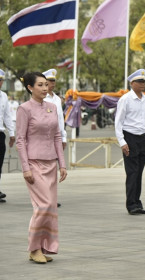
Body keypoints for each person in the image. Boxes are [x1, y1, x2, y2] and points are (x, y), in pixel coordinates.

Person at [16, 72, 67, 264]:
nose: (45, 88)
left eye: (46, 84)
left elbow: (57, 136)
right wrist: (25, 167)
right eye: (40, 85)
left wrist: (62, 164)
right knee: (43, 207)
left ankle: (45, 247)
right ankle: (34, 248)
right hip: (34, 164)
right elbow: (20, 140)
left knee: (51, 208)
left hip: (50, 163)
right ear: (30, 87)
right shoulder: (24, 109)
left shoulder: (53, 107)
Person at [114, 69, 145, 215]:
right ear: (132, 83)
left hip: (141, 137)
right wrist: (122, 142)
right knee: (132, 172)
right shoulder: (125, 99)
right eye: (139, 82)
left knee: (139, 173)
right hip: (129, 136)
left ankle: (138, 202)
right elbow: (118, 122)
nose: (143, 84)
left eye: (144, 82)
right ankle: (131, 204)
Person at [42, 69, 66, 208]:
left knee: (52, 168)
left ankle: (51, 198)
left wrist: (63, 137)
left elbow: (60, 119)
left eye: (53, 81)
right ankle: (44, 197)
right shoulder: (41, 98)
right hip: (44, 137)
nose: (52, 83)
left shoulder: (57, 99)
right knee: (44, 168)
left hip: (56, 136)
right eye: (50, 81)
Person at [0, 69, 15, 203]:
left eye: (1, 80)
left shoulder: (4, 96)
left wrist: (11, 133)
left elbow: (7, 116)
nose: (0, 83)